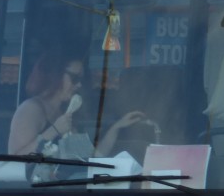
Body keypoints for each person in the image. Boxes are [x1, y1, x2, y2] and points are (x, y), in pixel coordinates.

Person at [8, 56, 147, 157]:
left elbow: (92, 158)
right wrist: (54, 130)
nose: (79, 85)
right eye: (75, 78)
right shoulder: (31, 109)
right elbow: (14, 159)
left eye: (81, 80)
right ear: (55, 75)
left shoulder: (64, 113)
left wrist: (117, 127)